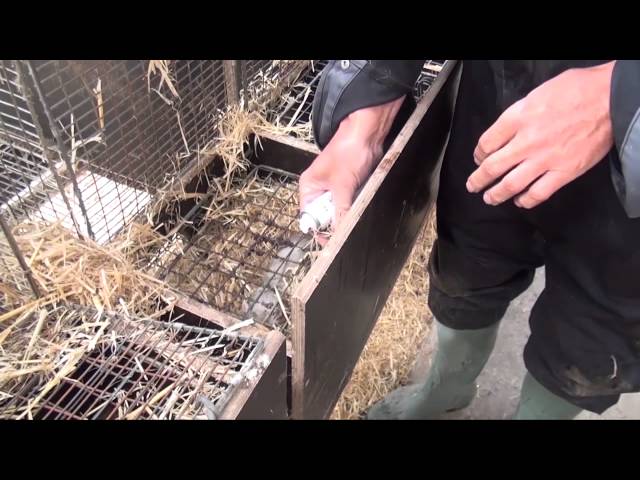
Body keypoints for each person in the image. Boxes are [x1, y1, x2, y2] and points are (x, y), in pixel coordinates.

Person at [298, 60, 640, 420]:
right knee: (468, 264)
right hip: (504, 87)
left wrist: (617, 95)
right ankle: (447, 387)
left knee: (596, 335)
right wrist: (370, 109)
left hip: (628, 161)